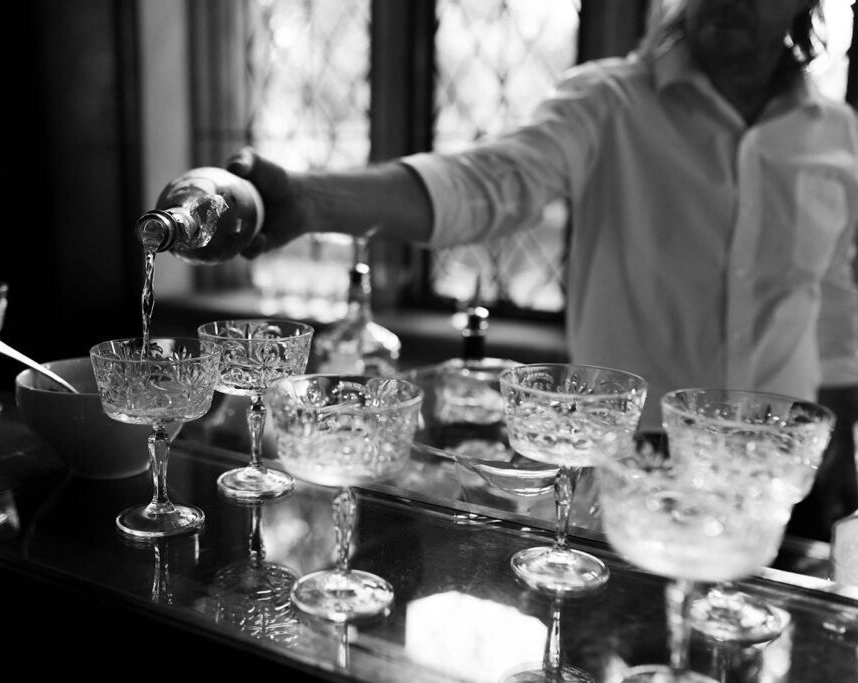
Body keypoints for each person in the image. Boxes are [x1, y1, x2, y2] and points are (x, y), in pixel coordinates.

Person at [222, 0, 858, 541]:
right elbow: (488, 183)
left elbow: (834, 310)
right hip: (630, 472)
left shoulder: (837, 135)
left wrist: (840, 454)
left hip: (782, 478)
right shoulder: (609, 101)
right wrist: (308, 200)